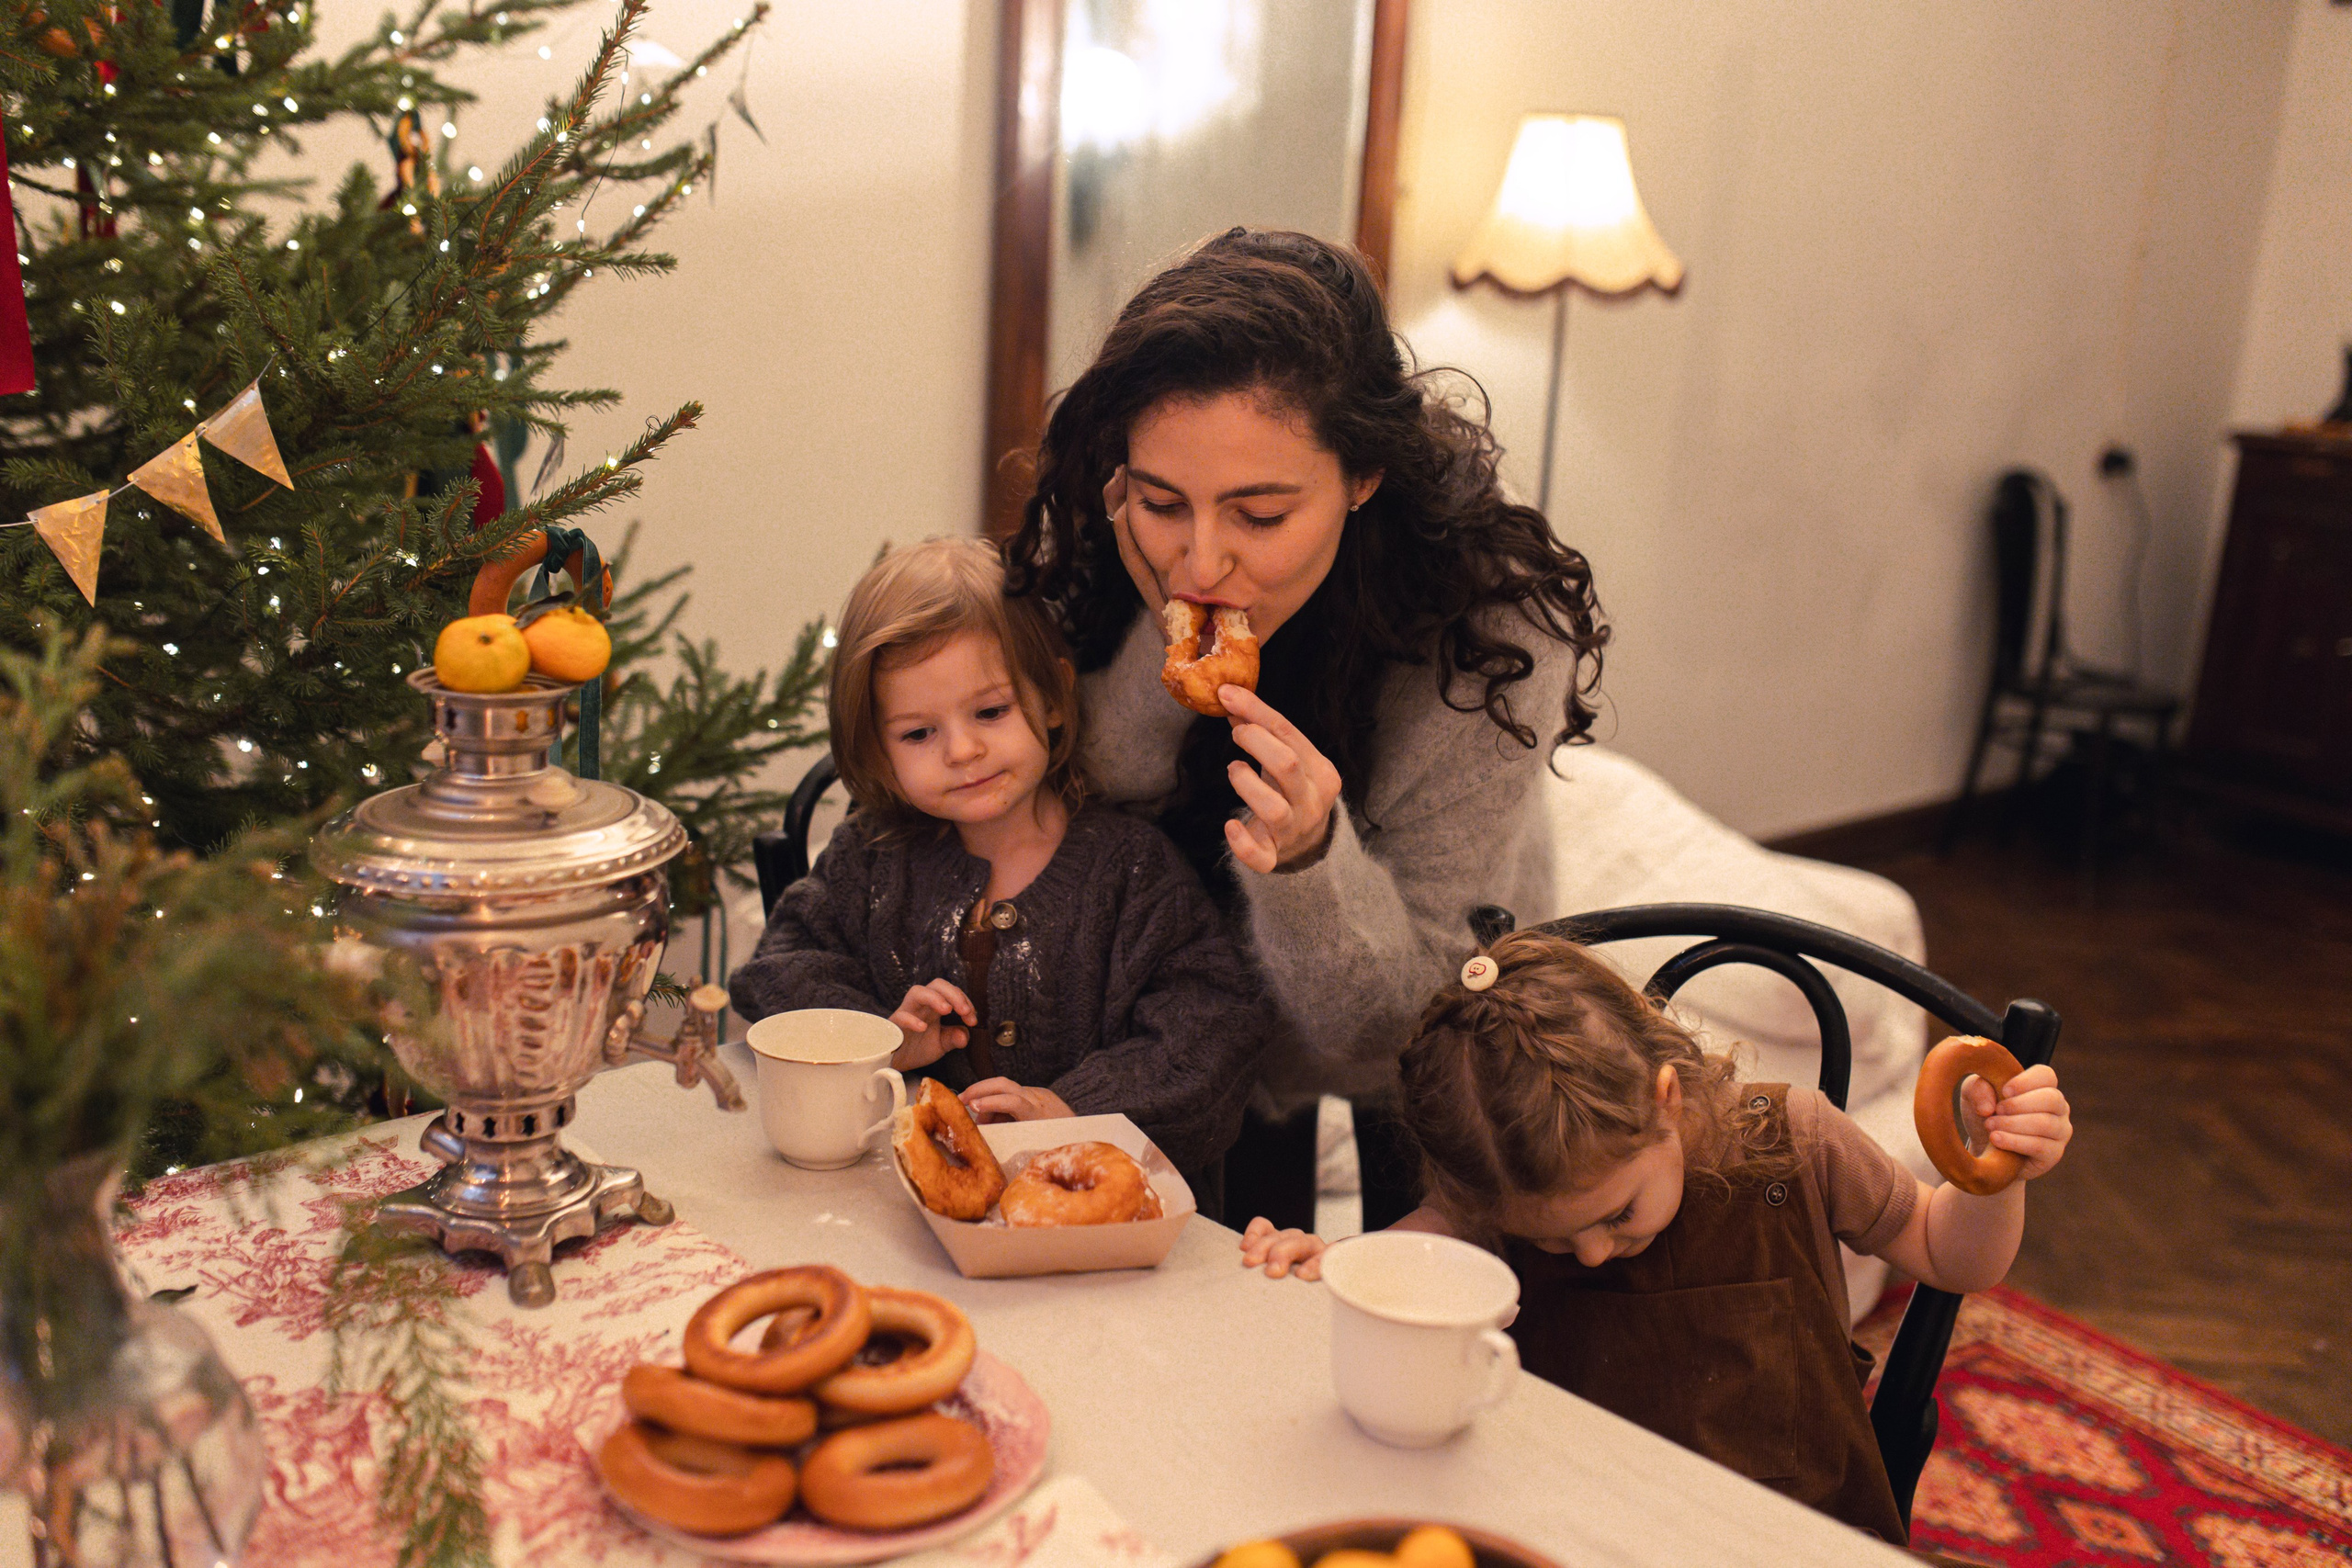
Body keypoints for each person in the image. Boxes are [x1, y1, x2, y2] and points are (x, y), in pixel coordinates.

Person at [1005, 227, 1609, 1231]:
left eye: (1260, 516)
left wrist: (1308, 862)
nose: (1202, 561)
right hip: (1189, 998)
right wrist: (1161, 651)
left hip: (1437, 991)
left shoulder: (1494, 625)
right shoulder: (1121, 535)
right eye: (1163, 501)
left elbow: (1388, 1030)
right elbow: (1078, 814)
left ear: (1362, 477)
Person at [1238, 930, 2074, 1544]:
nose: (1595, 1251)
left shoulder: (1798, 1140)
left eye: (1615, 1215)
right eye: (1557, 1242)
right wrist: (1340, 1264)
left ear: (1666, 1099)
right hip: (1580, 1531)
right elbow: (1417, 1256)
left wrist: (1996, 1174)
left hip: (1793, 1533)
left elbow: (1952, 1254)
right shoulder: (1502, 1192)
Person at [728, 538, 1268, 1209]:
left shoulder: (1131, 870)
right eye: (918, 733)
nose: (962, 749)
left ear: (1051, 699)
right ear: (875, 745)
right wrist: (880, 1039)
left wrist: (1072, 1106)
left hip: (1103, 1235)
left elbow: (1212, 1034)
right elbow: (776, 975)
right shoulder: (873, 854)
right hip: (907, 1220)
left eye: (990, 711)